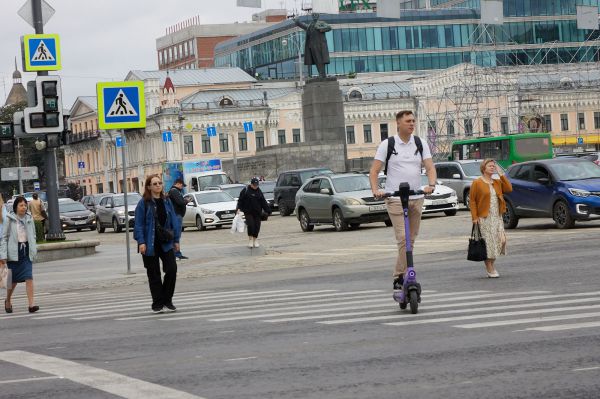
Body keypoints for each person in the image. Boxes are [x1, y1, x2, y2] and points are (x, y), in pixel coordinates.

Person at [369, 110, 436, 292]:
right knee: (403, 238)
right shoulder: (388, 144)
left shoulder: (420, 143)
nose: (412, 124)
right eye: (408, 121)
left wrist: (431, 184)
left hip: (416, 197)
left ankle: (401, 274)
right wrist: (376, 190)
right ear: (398, 123)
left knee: (411, 239)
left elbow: (430, 167)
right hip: (395, 198)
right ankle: (401, 276)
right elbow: (374, 171)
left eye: (413, 120)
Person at [134, 174, 181, 313]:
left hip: (166, 242)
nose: (158, 185)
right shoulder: (143, 203)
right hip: (149, 243)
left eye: (159, 183)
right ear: (149, 186)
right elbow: (138, 224)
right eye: (154, 184)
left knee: (172, 270)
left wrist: (176, 240)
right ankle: (157, 303)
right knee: (154, 274)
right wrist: (141, 242)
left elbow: (174, 222)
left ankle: (167, 299)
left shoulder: (167, 201)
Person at [469, 159, 513, 278]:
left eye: (494, 166)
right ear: (484, 168)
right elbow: (472, 201)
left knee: (501, 241)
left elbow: (509, 188)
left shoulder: (497, 182)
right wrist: (474, 217)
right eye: (490, 166)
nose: (492, 167)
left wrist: (501, 174)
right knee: (488, 244)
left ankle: (491, 264)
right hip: (484, 217)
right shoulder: (477, 183)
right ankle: (490, 267)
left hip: (497, 216)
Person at [0, 196, 39, 314]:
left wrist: (33, 248)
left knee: (29, 277)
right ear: (16, 207)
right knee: (12, 281)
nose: (24, 207)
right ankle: (7, 300)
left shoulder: (29, 218)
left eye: (25, 205)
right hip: (13, 252)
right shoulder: (9, 219)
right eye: (21, 205)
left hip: (25, 251)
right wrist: (3, 255)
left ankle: (31, 305)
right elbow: (4, 238)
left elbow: (33, 235)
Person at [236, 177, 271, 248]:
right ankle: (250, 240)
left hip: (257, 212)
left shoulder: (259, 191)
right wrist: (239, 208)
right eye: (254, 185)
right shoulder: (245, 190)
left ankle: (255, 240)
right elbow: (240, 200)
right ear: (251, 184)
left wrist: (268, 210)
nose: (256, 186)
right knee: (251, 225)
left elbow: (263, 201)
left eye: (257, 185)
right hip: (248, 212)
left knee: (257, 227)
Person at [168, 178, 189, 261]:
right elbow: (180, 202)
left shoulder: (175, 191)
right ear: (178, 183)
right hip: (176, 215)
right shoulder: (174, 191)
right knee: (176, 235)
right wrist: (186, 201)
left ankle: (177, 253)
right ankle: (176, 254)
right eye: (182, 185)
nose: (182, 187)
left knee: (177, 235)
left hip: (177, 215)